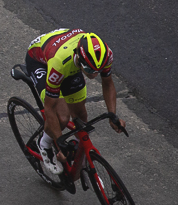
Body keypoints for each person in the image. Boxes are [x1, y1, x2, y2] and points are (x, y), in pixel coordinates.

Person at [25, 28, 124, 177]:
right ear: (79, 57)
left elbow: (108, 83)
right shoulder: (59, 63)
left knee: (80, 115)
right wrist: (60, 141)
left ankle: (79, 157)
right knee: (62, 118)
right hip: (41, 61)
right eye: (89, 69)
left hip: (68, 57)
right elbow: (49, 108)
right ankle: (44, 144)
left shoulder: (105, 54)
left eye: (98, 70)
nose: (94, 74)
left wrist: (112, 115)